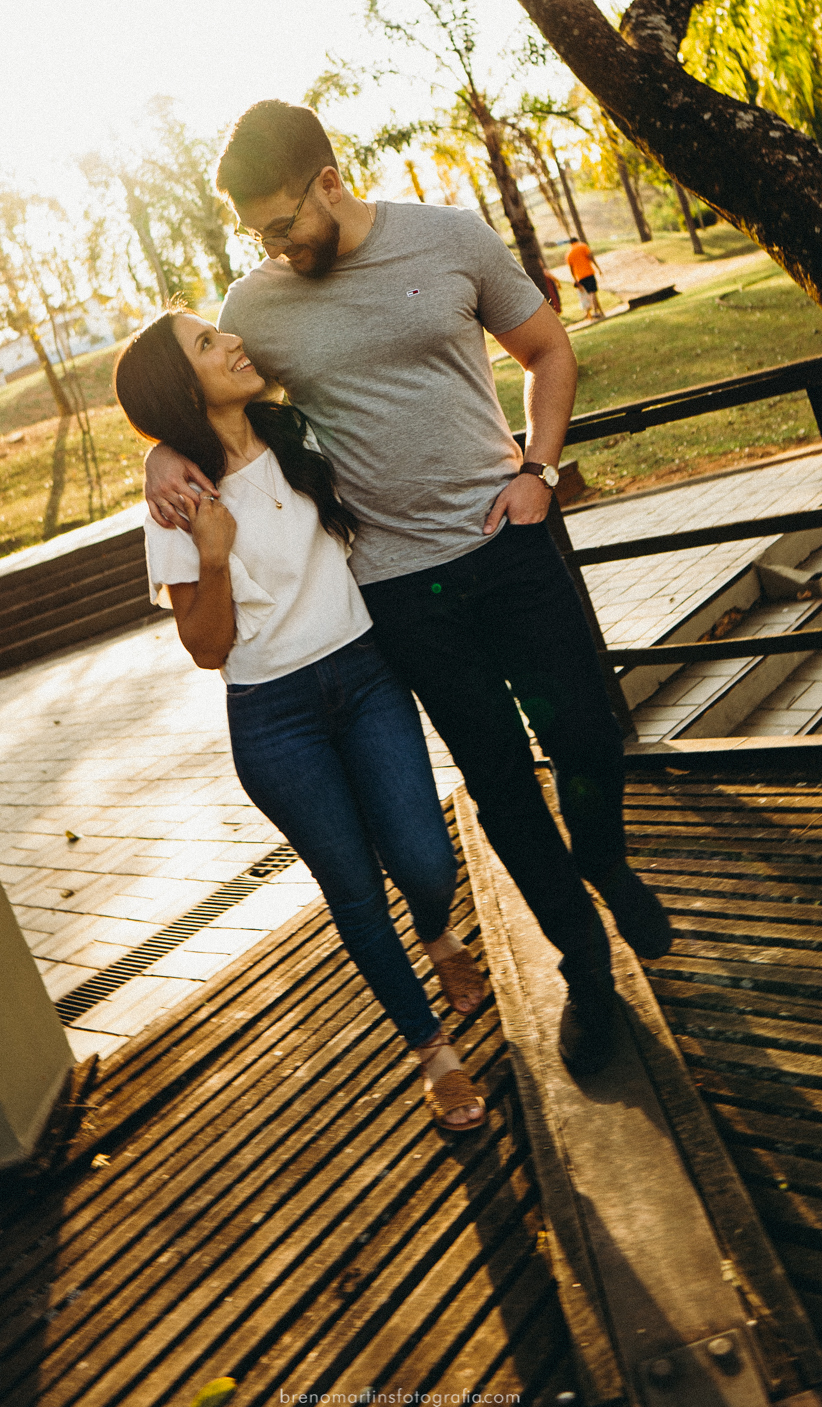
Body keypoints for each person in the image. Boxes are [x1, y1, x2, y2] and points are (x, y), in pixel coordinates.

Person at [145, 101, 673, 1077]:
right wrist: (162, 456)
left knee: (589, 738)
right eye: (256, 233)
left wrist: (539, 471)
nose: (271, 246)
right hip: (396, 589)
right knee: (500, 782)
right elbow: (200, 395)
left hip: (510, 546)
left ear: (329, 180)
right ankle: (586, 966)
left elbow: (550, 351)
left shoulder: (451, 237)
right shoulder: (255, 303)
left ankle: (604, 858)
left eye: (280, 223)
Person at [115, 308, 487, 1132]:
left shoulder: (300, 431)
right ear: (181, 387)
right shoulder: (180, 503)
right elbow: (205, 648)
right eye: (207, 343)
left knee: (426, 861)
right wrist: (213, 555)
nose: (232, 341)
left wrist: (155, 452)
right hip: (275, 719)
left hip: (366, 675)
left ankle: (438, 934)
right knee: (355, 894)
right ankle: (434, 1053)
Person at [566, 239, 604, 321]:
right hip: (588, 272)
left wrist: (574, 279)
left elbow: (571, 268)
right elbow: (590, 257)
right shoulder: (583, 246)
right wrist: (598, 268)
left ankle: (600, 312)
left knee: (590, 293)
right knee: (592, 292)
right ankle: (595, 311)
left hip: (580, 276)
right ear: (577, 241)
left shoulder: (569, 253)